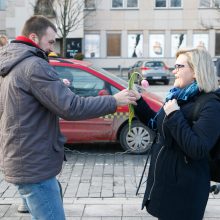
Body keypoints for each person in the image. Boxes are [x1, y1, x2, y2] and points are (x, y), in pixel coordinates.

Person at [0, 15, 137, 220]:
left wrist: (54, 88)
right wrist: (114, 100)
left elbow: (22, 104)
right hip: (34, 165)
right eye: (50, 41)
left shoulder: (13, 63)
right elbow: (72, 107)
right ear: (34, 37)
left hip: (22, 159)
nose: (52, 47)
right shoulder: (34, 65)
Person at [132, 48, 220, 220]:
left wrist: (174, 115)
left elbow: (198, 148)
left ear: (196, 71)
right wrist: (138, 103)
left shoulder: (211, 105)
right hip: (166, 183)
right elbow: (159, 127)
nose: (174, 71)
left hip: (185, 191)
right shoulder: (179, 97)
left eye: (179, 66)